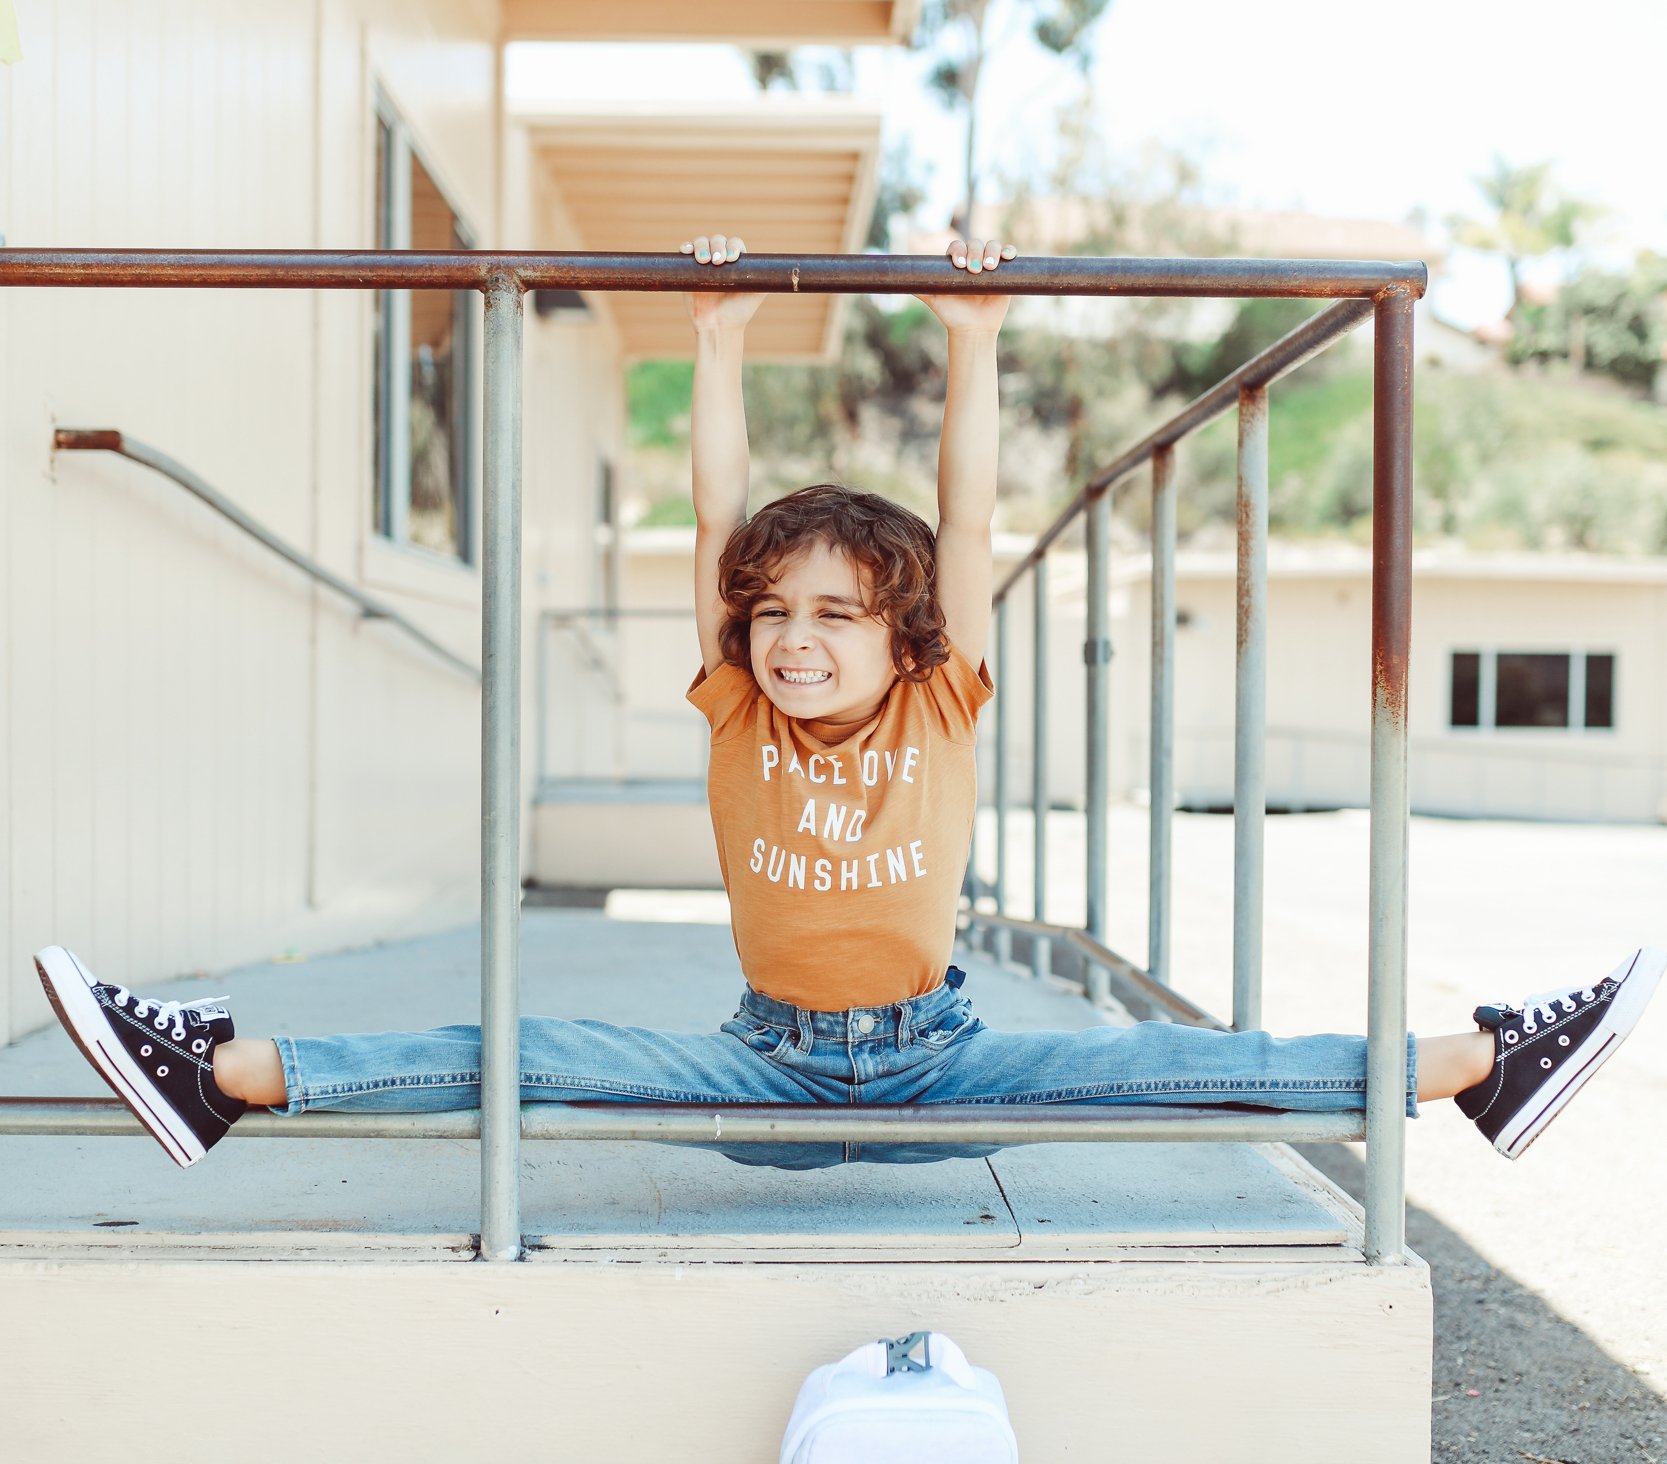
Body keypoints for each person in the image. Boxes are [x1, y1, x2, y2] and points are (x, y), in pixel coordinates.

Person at [33, 235, 1664, 1173]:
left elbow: (968, 518)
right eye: (774, 614)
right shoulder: (740, 709)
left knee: (1201, 1060)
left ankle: (1489, 1068)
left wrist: (974, 343)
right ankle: (221, 1076)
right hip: (765, 1067)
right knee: (520, 1044)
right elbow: (719, 512)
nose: (796, 640)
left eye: (835, 618)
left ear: (908, 638)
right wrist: (719, 341)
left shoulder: (942, 705)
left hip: (946, 1056)